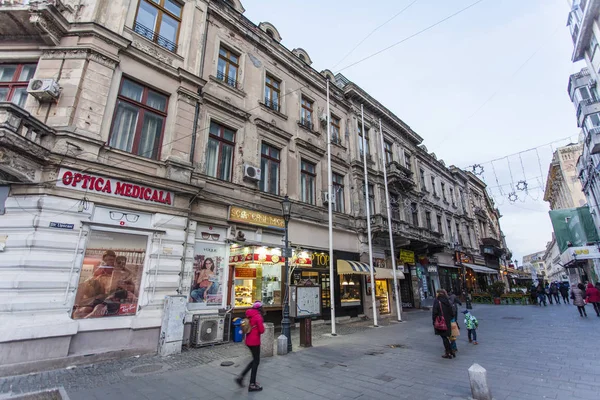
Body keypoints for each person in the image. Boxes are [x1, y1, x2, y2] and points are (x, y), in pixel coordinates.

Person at [235, 301, 265, 391]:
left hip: (248, 340)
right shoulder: (258, 317)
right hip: (255, 341)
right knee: (256, 361)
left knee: (254, 360)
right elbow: (262, 330)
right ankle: (252, 384)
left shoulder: (249, 314)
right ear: (260, 308)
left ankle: (241, 377)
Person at [432, 289, 454, 359]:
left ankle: (448, 352)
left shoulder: (437, 301)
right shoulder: (447, 300)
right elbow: (452, 312)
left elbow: (435, 312)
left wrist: (434, 321)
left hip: (441, 321)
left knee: (444, 338)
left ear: (438, 294)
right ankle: (451, 351)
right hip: (447, 321)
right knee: (446, 337)